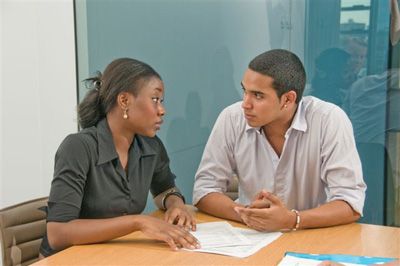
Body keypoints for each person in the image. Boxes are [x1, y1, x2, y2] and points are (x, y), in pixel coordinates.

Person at [39, 58, 200, 258]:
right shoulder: (78, 147)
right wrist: (138, 222)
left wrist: (176, 205)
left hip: (114, 253)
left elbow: (165, 190)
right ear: (124, 101)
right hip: (68, 259)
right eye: (155, 99)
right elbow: (57, 233)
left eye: (161, 101)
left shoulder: (151, 145)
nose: (162, 110)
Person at [193, 49, 366, 232]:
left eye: (258, 95)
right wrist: (249, 215)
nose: (245, 104)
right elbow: (204, 190)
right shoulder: (232, 117)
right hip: (251, 235)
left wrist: (292, 220)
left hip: (312, 233)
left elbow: (350, 204)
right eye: (245, 91)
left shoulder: (328, 120)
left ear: (288, 99)